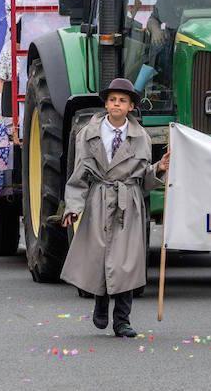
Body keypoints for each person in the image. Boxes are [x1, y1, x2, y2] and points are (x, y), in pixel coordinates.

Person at [61, 78, 170, 338]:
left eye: (122, 100)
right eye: (112, 100)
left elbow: (143, 178)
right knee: (98, 255)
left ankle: (122, 319)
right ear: (106, 104)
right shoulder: (89, 133)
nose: (116, 104)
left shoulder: (140, 137)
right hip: (98, 198)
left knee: (126, 262)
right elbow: (80, 174)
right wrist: (73, 206)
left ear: (131, 106)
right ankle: (100, 304)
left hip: (127, 203)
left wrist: (159, 169)